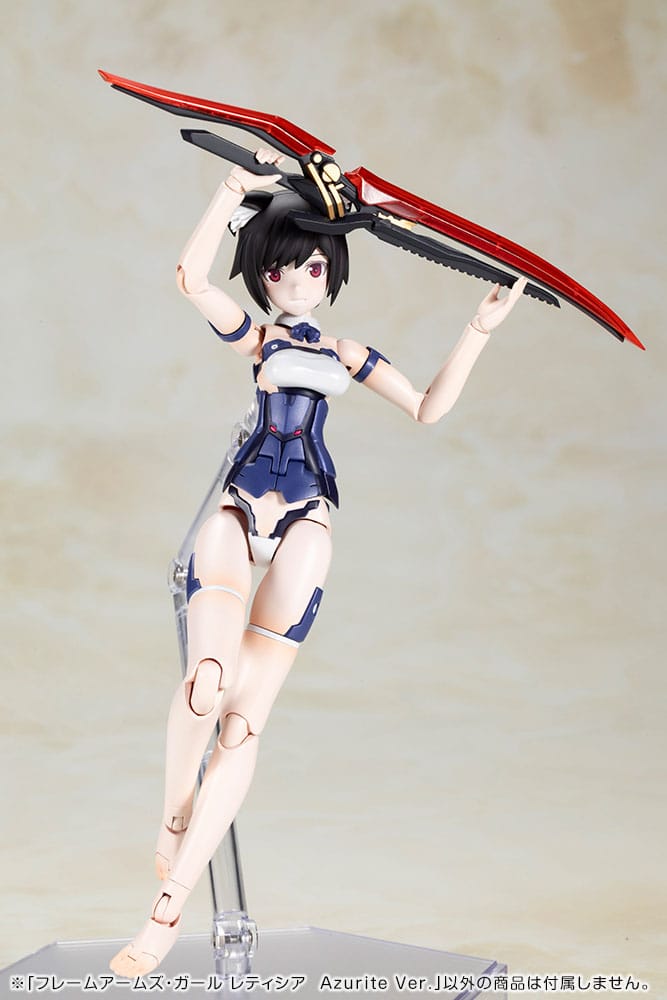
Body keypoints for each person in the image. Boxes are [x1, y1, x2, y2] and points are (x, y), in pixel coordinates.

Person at [110, 148, 527, 976]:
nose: (296, 279)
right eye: (279, 267)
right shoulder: (257, 337)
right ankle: (174, 813)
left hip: (307, 516)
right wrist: (232, 188)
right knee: (205, 681)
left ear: (330, 269)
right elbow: (192, 279)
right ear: (263, 274)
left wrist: (477, 329)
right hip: (239, 505)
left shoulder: (345, 352)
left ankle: (167, 908)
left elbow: (426, 408)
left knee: (242, 722)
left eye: (310, 265)